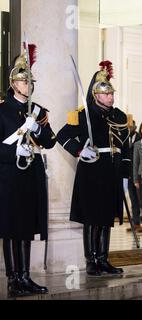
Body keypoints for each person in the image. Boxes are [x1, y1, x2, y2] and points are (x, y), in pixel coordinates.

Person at [57, 61, 130, 276]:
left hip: (111, 171)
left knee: (106, 216)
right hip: (91, 170)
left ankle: (104, 259)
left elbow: (125, 148)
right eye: (106, 94)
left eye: (111, 94)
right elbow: (62, 136)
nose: (111, 97)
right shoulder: (83, 114)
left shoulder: (119, 116)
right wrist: (80, 151)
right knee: (92, 217)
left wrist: (125, 175)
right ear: (96, 95)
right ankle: (91, 260)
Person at [0, 44, 56, 297]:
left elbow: (51, 141)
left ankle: (25, 276)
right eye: (24, 81)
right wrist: (14, 152)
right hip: (10, 177)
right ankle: (13, 279)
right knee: (12, 227)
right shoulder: (2, 110)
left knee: (27, 226)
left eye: (31, 81)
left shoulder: (37, 111)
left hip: (31, 175)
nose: (29, 85)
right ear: (14, 84)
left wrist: (37, 130)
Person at [125, 118, 142, 233]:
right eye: (127, 127)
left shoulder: (140, 139)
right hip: (129, 175)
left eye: (130, 126)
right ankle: (135, 223)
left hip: (139, 175)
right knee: (133, 200)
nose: (129, 128)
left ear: (135, 127)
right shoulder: (124, 139)